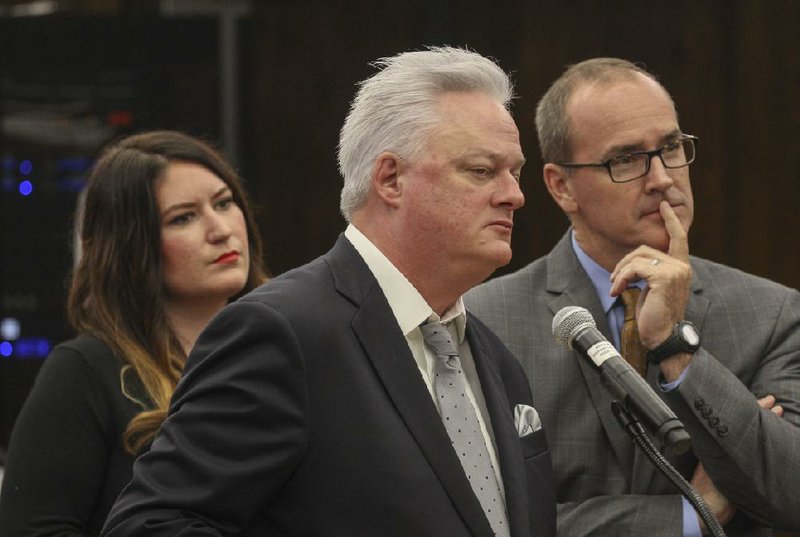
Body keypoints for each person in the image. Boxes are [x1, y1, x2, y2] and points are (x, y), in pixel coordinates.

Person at [102, 47, 557, 537]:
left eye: (515, 172)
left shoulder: (495, 358)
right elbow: (151, 524)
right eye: (482, 171)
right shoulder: (283, 333)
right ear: (390, 179)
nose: (514, 194)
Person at [464, 57, 800, 536]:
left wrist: (674, 346)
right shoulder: (485, 321)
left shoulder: (771, 314)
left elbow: (792, 495)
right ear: (562, 187)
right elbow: (478, 520)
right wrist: (692, 513)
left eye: (671, 148)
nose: (663, 178)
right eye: (625, 160)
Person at [0, 130, 268, 536]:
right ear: (133, 246)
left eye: (224, 203)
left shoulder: (288, 345)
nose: (221, 229)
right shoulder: (84, 371)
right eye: (184, 217)